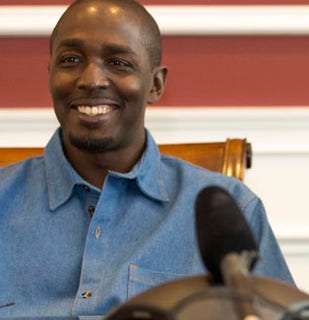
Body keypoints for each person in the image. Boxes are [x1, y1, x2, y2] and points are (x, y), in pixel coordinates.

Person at [0, 0, 293, 316]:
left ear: (156, 84)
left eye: (118, 63)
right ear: (50, 75)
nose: (91, 80)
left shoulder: (231, 209)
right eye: (70, 60)